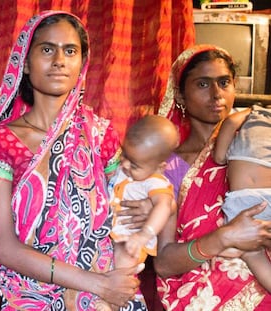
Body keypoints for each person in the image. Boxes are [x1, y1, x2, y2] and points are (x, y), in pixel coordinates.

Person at [0, 10, 147, 311]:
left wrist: (144, 209)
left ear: (81, 63)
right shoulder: (2, 141)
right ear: (26, 63)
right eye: (47, 49)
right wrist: (96, 283)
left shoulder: (99, 134)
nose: (59, 60)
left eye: (70, 51)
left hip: (106, 296)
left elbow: (128, 207)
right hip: (33, 296)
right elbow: (4, 248)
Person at [147, 44, 271, 310]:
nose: (217, 94)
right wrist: (224, 237)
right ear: (180, 95)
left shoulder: (259, 143)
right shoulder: (169, 167)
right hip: (199, 292)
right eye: (203, 84)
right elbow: (165, 263)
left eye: (224, 82)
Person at [95, 115, 178, 311]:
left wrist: (144, 234)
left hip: (132, 241)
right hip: (112, 233)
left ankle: (112, 304)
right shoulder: (128, 167)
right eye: (124, 155)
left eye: (134, 165)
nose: (125, 165)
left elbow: (164, 206)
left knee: (122, 262)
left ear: (159, 167)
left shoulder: (155, 182)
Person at [213, 104, 271, 291]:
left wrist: (248, 111)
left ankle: (241, 252)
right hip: (249, 204)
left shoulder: (248, 114)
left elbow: (220, 155)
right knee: (254, 250)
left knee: (253, 254)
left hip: (245, 203)